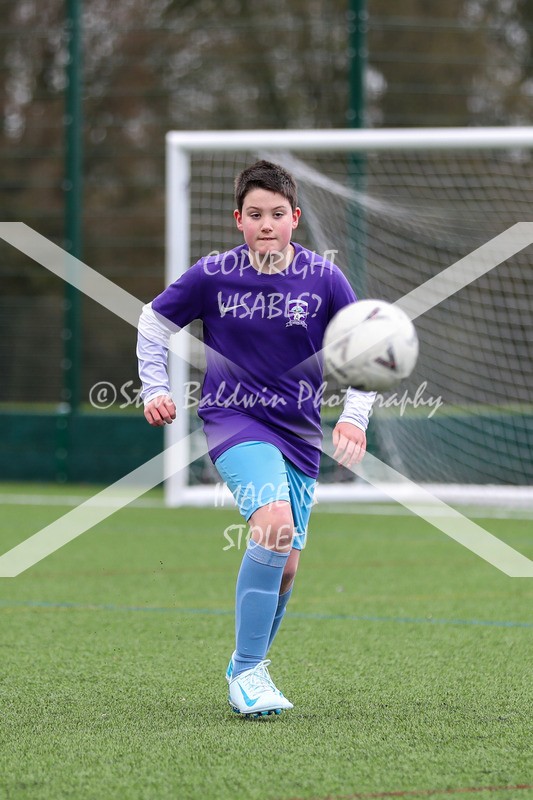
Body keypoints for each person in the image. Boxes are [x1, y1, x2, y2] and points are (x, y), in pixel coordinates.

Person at [137, 160, 374, 718]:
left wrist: (354, 417)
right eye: (254, 215)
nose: (266, 224)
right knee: (273, 524)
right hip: (233, 421)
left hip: (298, 435)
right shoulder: (213, 274)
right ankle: (247, 672)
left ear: (294, 218)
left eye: (276, 214)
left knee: (287, 562)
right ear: (238, 220)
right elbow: (152, 323)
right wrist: (153, 388)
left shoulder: (324, 279)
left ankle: (249, 666)